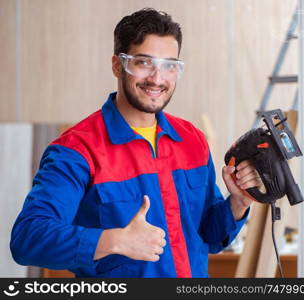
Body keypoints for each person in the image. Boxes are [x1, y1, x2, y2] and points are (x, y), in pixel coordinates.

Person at [10, 8, 260, 278]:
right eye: (144, 63)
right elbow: (27, 239)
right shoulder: (77, 151)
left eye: (169, 65)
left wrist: (237, 203)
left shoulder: (192, 141)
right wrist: (113, 241)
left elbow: (209, 238)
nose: (157, 78)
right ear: (118, 65)